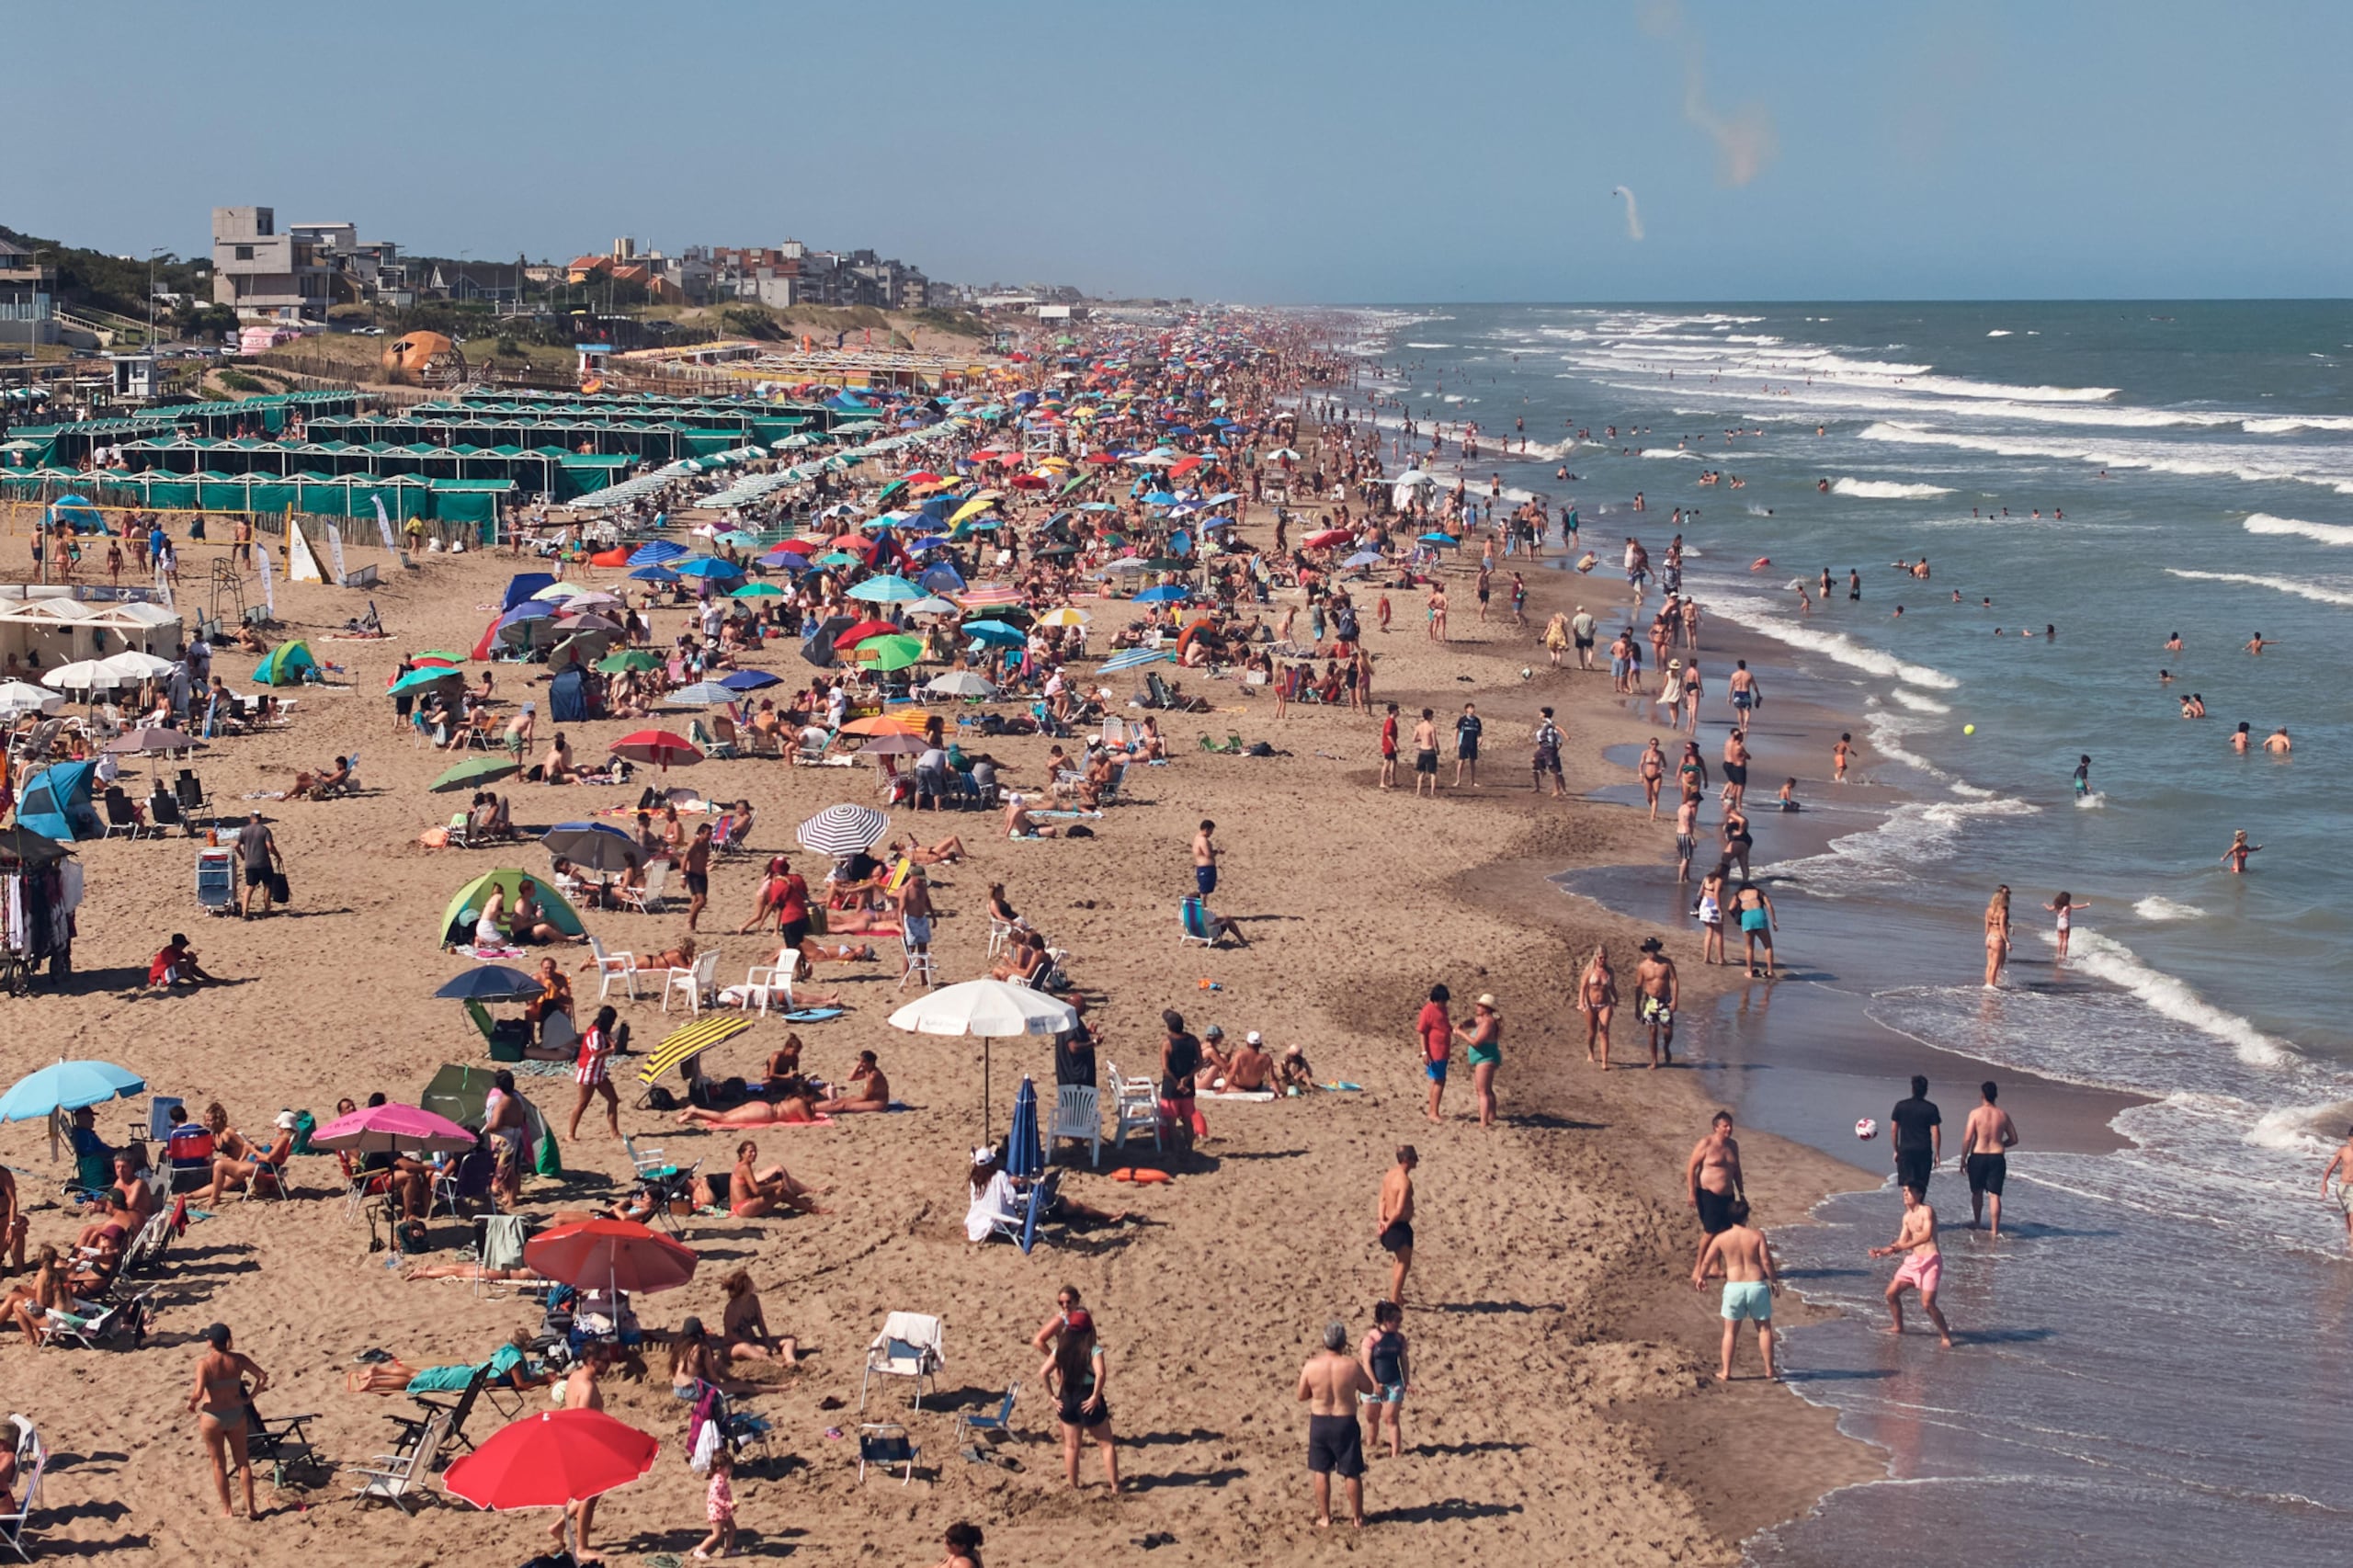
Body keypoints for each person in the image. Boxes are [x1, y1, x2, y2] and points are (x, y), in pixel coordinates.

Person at [1298, 1319, 1377, 1529]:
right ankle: (1358, 1518)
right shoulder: (1351, 1365)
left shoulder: (1311, 1365)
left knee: (1321, 1470)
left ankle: (1325, 1517)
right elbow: (1369, 1388)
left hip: (1320, 1421)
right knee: (1351, 1471)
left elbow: (1301, 1395)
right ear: (1344, 1343)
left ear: (1324, 1342)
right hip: (1345, 1420)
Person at [1691, 1197, 1779, 1381]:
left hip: (1734, 1287)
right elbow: (1766, 1261)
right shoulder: (1756, 1236)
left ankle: (1726, 1371)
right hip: (1756, 1285)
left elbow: (1707, 1260)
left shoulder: (1722, 1238)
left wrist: (1701, 1276)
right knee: (1764, 1329)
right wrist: (1774, 1281)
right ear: (1746, 1217)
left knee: (1730, 1331)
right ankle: (1769, 1369)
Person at [188, 1323, 268, 1518]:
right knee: (243, 1463)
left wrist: (191, 1403)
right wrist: (249, 1398)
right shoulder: (238, 1360)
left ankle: (228, 1510)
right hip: (236, 1412)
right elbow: (262, 1377)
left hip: (213, 1416)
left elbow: (198, 1393)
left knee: (218, 1464)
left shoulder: (204, 1364)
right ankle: (251, 1508)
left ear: (211, 1342)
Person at [1039, 1306, 1118, 1490]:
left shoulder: (1061, 1349)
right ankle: (1115, 1486)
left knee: (1072, 1446)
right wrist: (1096, 1395)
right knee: (1106, 1444)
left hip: (1066, 1396)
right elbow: (1100, 1373)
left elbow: (1043, 1372)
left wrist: (1051, 1396)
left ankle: (1074, 1485)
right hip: (1087, 1396)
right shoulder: (1093, 1349)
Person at [1870, 1183, 1953, 1347]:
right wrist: (1883, 1251)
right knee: (1891, 1293)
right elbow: (1901, 1242)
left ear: (1919, 1194)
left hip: (1931, 1260)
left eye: (1909, 1191)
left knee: (1927, 1303)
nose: (1905, 1195)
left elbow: (1926, 1235)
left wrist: (1902, 1247)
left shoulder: (1927, 1211)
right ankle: (1898, 1326)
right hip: (1913, 1261)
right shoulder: (1907, 1217)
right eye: (1904, 1191)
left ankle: (1945, 1336)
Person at [1686, 1109, 1746, 1268]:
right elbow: (1691, 1168)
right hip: (1708, 1194)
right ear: (1716, 1127)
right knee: (1710, 1231)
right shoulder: (1706, 1143)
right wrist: (1691, 1192)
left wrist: (1741, 1192)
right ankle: (1698, 1268)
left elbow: (1737, 1170)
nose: (1729, 1129)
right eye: (1725, 1126)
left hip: (1728, 1194)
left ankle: (1715, 1267)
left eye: (1730, 1126)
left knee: (1725, 1231)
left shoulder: (1733, 1145)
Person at [1962, 1081, 2019, 1235]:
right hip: (1996, 1156)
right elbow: (2014, 1139)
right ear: (1996, 1096)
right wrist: (2000, 1144)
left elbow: (1967, 1138)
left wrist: (1963, 1159)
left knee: (1977, 1192)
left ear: (1982, 1095)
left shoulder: (1975, 1113)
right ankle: (1994, 1231)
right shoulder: (2002, 1115)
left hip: (1978, 1155)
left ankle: (1977, 1222)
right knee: (1994, 1195)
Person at [727, 1141, 829, 1217]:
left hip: (738, 1206)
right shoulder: (744, 1167)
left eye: (755, 1151)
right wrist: (775, 1185)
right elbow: (756, 1190)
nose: (754, 1154)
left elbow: (749, 1189)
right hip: (742, 1208)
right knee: (781, 1192)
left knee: (777, 1189)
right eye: (750, 1151)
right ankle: (813, 1209)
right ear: (742, 1154)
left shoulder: (740, 1166)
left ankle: (801, 1202)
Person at [719, 1269, 797, 1364]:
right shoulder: (731, 1309)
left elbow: (761, 1324)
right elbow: (732, 1336)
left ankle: (790, 1360)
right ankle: (774, 1364)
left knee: (790, 1340)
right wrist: (753, 1346)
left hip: (753, 1339)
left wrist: (768, 1343)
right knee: (747, 1348)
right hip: (734, 1346)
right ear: (745, 1288)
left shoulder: (753, 1300)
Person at [569, 1004, 622, 1140]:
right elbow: (596, 1054)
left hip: (599, 1072)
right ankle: (570, 1134)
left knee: (613, 1099)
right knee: (582, 1104)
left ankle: (614, 1132)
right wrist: (611, 1049)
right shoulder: (595, 1033)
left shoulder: (602, 1032)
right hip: (588, 1072)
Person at [1158, 1009, 1204, 1157]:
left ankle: (1175, 1151)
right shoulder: (1193, 1040)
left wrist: (1177, 1083)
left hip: (1171, 1089)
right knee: (1187, 1120)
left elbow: (1165, 1069)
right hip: (1188, 1087)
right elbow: (1200, 1063)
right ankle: (1189, 1150)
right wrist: (1187, 1077)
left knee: (1171, 1123)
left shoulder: (1167, 1043)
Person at [1891, 1074, 1942, 1200]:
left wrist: (1896, 1149)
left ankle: (1910, 1214)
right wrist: (1937, 1153)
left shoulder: (1901, 1106)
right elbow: (1936, 1132)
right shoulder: (1931, 1108)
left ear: (1912, 1089)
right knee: (1921, 1186)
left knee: (1907, 1186)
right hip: (1924, 1151)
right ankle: (1919, 1213)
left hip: (1906, 1150)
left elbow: (1894, 1130)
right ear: (1926, 1090)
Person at [483, 1069, 529, 1210]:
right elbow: (523, 1118)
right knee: (514, 1168)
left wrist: (487, 1127)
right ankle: (510, 1196)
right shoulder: (518, 1099)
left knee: (508, 1170)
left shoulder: (502, 1103)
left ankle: (511, 1199)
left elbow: (496, 1124)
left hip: (505, 1139)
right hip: (516, 1134)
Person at [1378, 1146, 1416, 1305]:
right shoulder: (1404, 1181)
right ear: (1406, 1160)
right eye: (1414, 1158)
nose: (1417, 1161)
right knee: (1404, 1263)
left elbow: (1382, 1199)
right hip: (1398, 1226)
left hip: (1388, 1224)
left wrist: (1381, 1221)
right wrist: (1387, 1224)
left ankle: (1397, 1294)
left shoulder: (1389, 1174)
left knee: (1398, 1260)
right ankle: (1394, 1298)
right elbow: (1399, 1210)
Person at [1456, 994, 1502, 1128]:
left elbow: (1476, 1042)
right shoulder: (1484, 1019)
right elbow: (1474, 1021)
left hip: (1486, 1059)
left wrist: (1461, 1033)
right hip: (1486, 1058)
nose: (1477, 1007)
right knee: (1487, 1089)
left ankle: (1483, 1122)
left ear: (1487, 1008)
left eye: (1480, 1005)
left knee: (1482, 1092)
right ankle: (1492, 1116)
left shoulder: (1488, 1023)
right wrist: (1464, 1024)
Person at [1634, 937, 1678, 1068]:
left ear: (1657, 949)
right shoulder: (1642, 967)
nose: (1651, 951)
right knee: (1652, 1031)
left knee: (1668, 1030)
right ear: (1646, 950)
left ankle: (1666, 1046)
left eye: (1653, 948)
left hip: (1665, 1000)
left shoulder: (1666, 963)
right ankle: (1654, 1060)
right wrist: (1637, 1007)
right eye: (1649, 949)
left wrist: (1675, 1000)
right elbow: (1639, 986)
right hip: (1650, 1001)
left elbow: (1674, 980)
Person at [813, 1050, 891, 1114]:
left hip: (878, 1103)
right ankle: (813, 1106)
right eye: (860, 1061)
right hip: (868, 1098)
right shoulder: (867, 1071)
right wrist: (858, 1066)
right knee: (840, 1100)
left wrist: (851, 1101)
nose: (861, 1064)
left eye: (863, 1062)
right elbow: (850, 1078)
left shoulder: (874, 1076)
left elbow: (866, 1097)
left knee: (845, 1105)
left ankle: (814, 1109)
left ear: (871, 1063)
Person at [1415, 983, 1451, 1120]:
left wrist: (1452, 1029)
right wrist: (1424, 1052)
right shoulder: (1428, 1011)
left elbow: (1444, 1024)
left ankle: (1432, 1110)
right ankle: (1433, 1113)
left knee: (1435, 1081)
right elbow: (1422, 1032)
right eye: (1441, 1001)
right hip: (1435, 1052)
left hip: (1443, 1051)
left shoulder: (1443, 1010)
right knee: (1439, 1081)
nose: (1443, 1004)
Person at [694, 1444, 736, 1561]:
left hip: (724, 1511)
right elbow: (714, 1498)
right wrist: (728, 1504)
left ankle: (729, 1550)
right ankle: (700, 1550)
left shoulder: (722, 1479)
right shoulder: (718, 1481)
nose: (730, 1470)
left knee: (732, 1529)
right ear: (719, 1468)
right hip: (717, 1512)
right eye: (728, 1467)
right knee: (717, 1535)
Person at [236, 811, 281, 919]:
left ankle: (245, 913)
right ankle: (267, 911)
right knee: (267, 886)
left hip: (250, 864)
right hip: (263, 863)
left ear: (251, 818)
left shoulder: (244, 830)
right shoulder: (264, 830)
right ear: (260, 818)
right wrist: (277, 855)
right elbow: (269, 846)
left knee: (249, 887)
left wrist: (243, 856)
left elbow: (236, 846)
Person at [1732, 881, 1777, 979]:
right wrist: (1774, 921)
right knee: (1768, 946)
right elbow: (1769, 904)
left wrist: (1736, 917)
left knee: (1749, 947)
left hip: (1747, 918)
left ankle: (1750, 972)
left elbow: (1731, 907)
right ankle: (1770, 972)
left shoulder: (1739, 894)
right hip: (1759, 916)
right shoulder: (1759, 892)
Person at [2320, 1127, 2353, 1253]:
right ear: (2350, 1138)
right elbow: (2329, 1168)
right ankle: (2350, 1239)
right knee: (2347, 1216)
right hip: (2343, 1187)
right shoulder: (2343, 1151)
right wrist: (2324, 1184)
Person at [682, 821, 713, 932]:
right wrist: (683, 877)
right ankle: (689, 921)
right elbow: (684, 859)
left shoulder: (706, 844)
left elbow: (703, 859)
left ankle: (692, 926)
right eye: (708, 834)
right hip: (693, 875)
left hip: (703, 875)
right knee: (702, 901)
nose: (710, 836)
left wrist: (709, 865)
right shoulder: (694, 844)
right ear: (701, 833)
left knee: (696, 900)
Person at [2044, 892, 2090, 960]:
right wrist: (2087, 904)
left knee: (2060, 940)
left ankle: (2058, 954)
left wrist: (2045, 905)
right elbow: (2078, 907)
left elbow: (2049, 909)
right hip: (2065, 923)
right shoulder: (2069, 906)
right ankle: (2064, 955)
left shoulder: (2057, 905)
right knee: (2065, 940)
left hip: (2059, 924)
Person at [1531, 707, 1565, 799]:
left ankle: (1558, 790)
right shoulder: (1543, 726)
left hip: (1549, 750)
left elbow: (1558, 731)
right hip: (1543, 749)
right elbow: (1540, 741)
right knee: (1534, 760)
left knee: (1555, 771)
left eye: (1541, 712)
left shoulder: (1550, 725)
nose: (1539, 714)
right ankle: (1540, 779)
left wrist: (1566, 736)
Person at [1984, 884, 2012, 987]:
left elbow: (1986, 926)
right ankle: (1991, 985)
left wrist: (1987, 937)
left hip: (1990, 937)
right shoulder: (2003, 912)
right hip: (1998, 939)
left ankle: (1987, 984)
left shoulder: (1988, 910)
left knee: (1989, 964)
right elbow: (2002, 929)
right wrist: (2008, 942)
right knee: (1995, 966)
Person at [1410, 707, 1439, 798]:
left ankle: (1418, 791)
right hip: (1430, 751)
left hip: (1422, 751)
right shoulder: (1431, 728)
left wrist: (1422, 738)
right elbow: (1434, 741)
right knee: (1432, 773)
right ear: (1429, 716)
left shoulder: (1419, 727)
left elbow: (1413, 739)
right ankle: (1432, 793)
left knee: (1421, 773)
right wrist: (1437, 749)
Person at [1452, 701, 1482, 789]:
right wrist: (1455, 742)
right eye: (1471, 708)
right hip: (1464, 744)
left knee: (1473, 762)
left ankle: (1473, 781)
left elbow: (1479, 732)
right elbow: (1456, 731)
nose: (1473, 710)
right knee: (1461, 761)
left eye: (1473, 708)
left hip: (1473, 744)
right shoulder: (1462, 720)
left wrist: (1480, 739)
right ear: (1466, 710)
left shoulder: (1477, 720)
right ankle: (1458, 780)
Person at [1192, 818, 1220, 898]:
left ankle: (1202, 906)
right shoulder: (1202, 840)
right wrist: (1216, 852)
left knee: (1205, 890)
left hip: (1204, 868)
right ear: (1206, 829)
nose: (1211, 833)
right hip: (1205, 868)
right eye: (1211, 831)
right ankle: (1203, 907)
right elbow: (1208, 854)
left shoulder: (1197, 838)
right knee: (1204, 891)